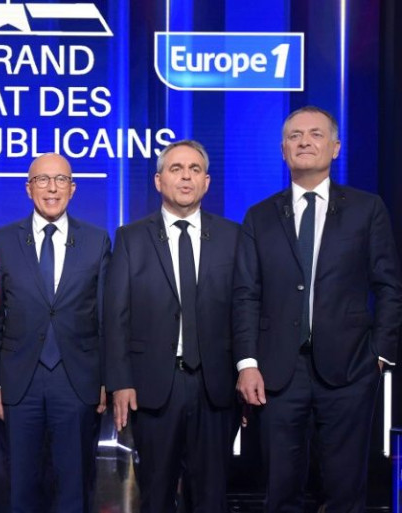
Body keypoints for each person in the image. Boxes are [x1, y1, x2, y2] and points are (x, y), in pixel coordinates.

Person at [233, 106, 402, 512]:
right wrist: (247, 363)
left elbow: (389, 287)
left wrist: (379, 356)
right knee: (281, 489)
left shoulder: (367, 209)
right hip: (277, 373)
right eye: (294, 136)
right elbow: (245, 294)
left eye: (315, 134)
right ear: (283, 150)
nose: (304, 142)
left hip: (350, 370)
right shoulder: (259, 216)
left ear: (335, 147)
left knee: (345, 491)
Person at [105, 140, 238, 513]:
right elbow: (116, 314)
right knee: (156, 493)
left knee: (211, 497)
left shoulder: (233, 237)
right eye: (176, 169)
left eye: (194, 170)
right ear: (159, 180)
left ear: (207, 182)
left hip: (215, 386)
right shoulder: (131, 238)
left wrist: (246, 371)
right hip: (153, 386)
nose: (186, 177)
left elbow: (244, 310)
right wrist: (120, 380)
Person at [0, 153, 110, 513]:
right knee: (20, 486)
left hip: (78, 381)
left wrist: (104, 380)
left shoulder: (97, 241)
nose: (52, 188)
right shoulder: (2, 241)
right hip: (19, 383)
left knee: (73, 486)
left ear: (73, 188)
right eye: (42, 180)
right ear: (28, 188)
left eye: (60, 180)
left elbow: (104, 318)